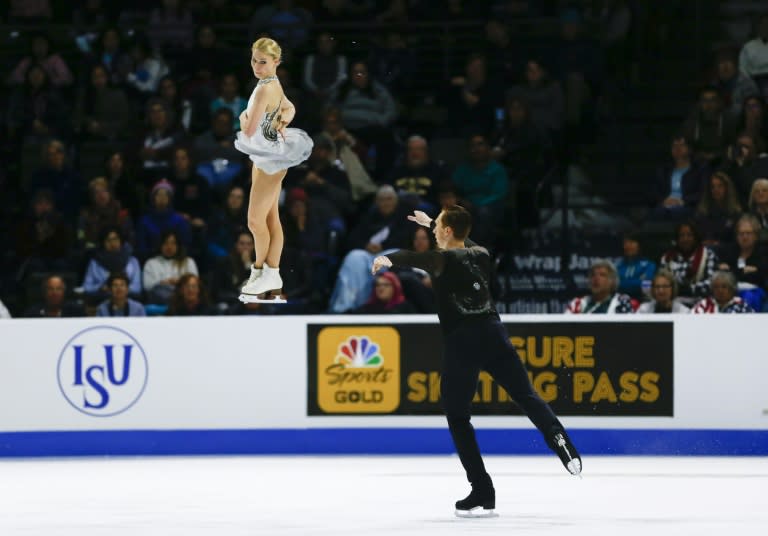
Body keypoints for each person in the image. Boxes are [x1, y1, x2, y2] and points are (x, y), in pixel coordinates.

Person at [372, 206, 581, 517]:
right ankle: (559, 440)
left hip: (463, 341)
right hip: (495, 334)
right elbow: (463, 242)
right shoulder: (481, 253)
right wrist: (433, 222)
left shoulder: (440, 259)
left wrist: (385, 259)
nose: (433, 231)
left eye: (437, 226)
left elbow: (410, 257)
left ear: (445, 232)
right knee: (526, 395)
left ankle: (482, 487)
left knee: (457, 415)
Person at [234, 37, 313, 302]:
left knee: (255, 221)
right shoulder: (271, 84)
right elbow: (289, 107)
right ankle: (270, 273)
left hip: (269, 160)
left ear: (277, 62)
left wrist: (242, 116)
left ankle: (262, 271)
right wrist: (282, 119)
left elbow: (247, 129)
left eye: (263, 62)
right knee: (269, 219)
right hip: (268, 155)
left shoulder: (267, 88)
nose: (257, 66)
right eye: (254, 60)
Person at [565, 259, 635, 314]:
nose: (596, 278)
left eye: (602, 275)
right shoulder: (577, 304)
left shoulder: (623, 302)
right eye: (592, 275)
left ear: (612, 281)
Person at [691, 270, 756, 313]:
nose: (720, 290)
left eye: (724, 287)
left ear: (732, 289)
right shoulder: (704, 304)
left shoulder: (741, 305)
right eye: (716, 287)